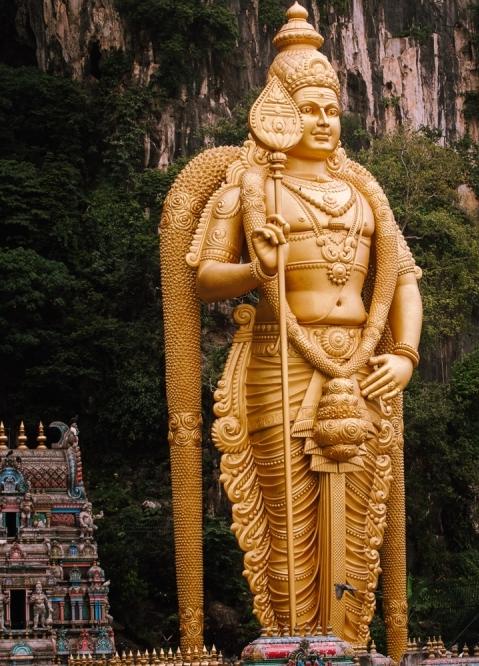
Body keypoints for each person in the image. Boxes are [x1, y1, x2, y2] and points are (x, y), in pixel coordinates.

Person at [162, 4, 422, 648]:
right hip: (281, 360)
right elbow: (203, 278)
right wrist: (256, 265)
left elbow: (404, 279)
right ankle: (291, 643)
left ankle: (355, 645)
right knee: (286, 520)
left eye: (332, 109)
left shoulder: (366, 194)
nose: (324, 122)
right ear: (278, 113)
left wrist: (406, 354)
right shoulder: (248, 188)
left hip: (362, 366)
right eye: (309, 109)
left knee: (362, 519)